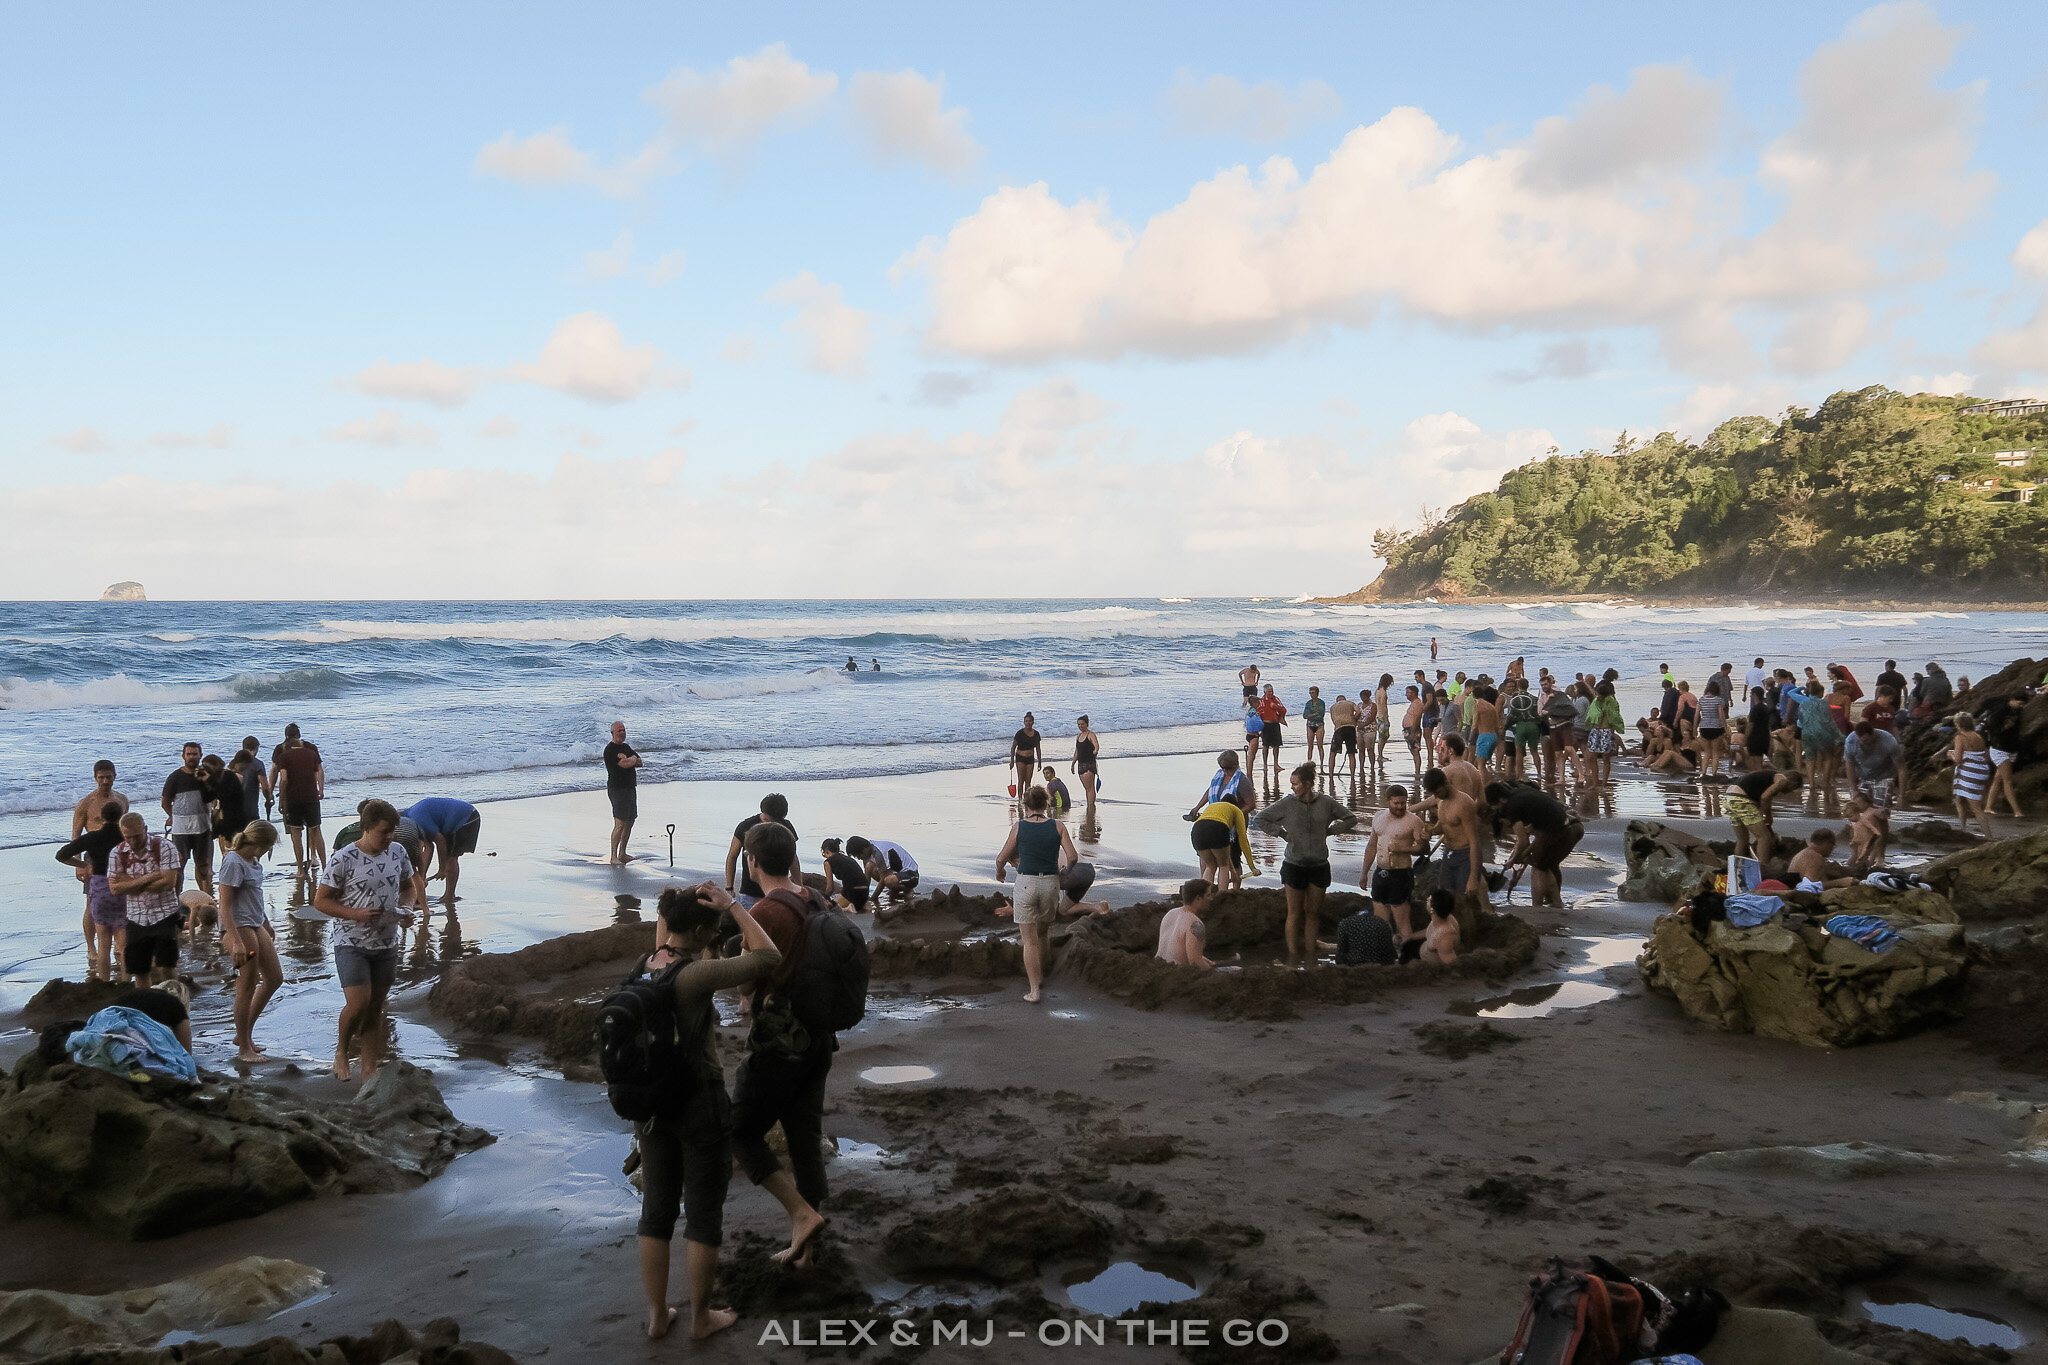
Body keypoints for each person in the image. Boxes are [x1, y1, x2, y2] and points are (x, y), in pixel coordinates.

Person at [632, 886, 782, 1342]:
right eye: (713, 932)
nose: (717, 937)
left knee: (656, 1208)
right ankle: (700, 1318)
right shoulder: (696, 975)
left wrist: (673, 907)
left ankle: (659, 1315)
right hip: (699, 1103)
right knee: (702, 1211)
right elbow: (769, 958)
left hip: (651, 1107)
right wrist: (735, 905)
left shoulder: (645, 967)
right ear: (699, 932)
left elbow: (669, 935)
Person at [719, 825, 838, 1274]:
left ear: (751, 862)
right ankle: (807, 1246)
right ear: (791, 859)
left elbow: (748, 979)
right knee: (804, 1136)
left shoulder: (765, 912)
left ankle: (802, 1215)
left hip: (780, 1040)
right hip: (819, 1036)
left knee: (740, 1131)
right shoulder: (814, 898)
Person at [314, 798, 417, 1082]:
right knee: (358, 1003)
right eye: (384, 831)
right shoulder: (343, 858)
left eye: (392, 831)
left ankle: (369, 1066)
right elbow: (320, 902)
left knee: (375, 1006)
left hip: (387, 942)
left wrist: (408, 908)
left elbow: (410, 887)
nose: (389, 837)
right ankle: (342, 1052)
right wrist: (354, 913)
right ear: (367, 828)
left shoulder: (397, 852)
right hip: (351, 941)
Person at [1254, 762, 1358, 968]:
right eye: (1292, 784)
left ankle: (1311, 956)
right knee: (1294, 912)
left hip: (1319, 865)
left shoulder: (1326, 803)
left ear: (1308, 784)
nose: (1292, 787)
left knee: (1313, 913)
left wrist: (1332, 831)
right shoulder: (1287, 804)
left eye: (1295, 784)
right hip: (1294, 865)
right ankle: (1293, 957)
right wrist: (1282, 834)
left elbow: (1350, 818)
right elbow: (1260, 818)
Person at [995, 785, 1077, 1003]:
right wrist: (1064, 873)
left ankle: (1034, 990)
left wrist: (1000, 871)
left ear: (1025, 805)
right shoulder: (1058, 826)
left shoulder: (1019, 826)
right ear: (1046, 804)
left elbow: (1001, 857)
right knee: (1042, 933)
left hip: (1026, 884)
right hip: (1050, 883)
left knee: (1029, 941)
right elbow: (1073, 856)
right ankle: (1043, 973)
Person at [217, 819, 283, 1062]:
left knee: (275, 978)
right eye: (268, 846)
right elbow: (224, 905)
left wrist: (265, 921)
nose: (268, 851)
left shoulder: (253, 861)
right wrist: (234, 940)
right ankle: (244, 1047)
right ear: (260, 844)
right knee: (247, 985)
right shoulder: (233, 862)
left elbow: (255, 894)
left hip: (255, 923)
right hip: (238, 926)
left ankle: (243, 1035)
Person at [107, 812, 184, 987]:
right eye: (128, 838)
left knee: (167, 966)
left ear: (145, 829)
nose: (132, 842)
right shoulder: (117, 853)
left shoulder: (165, 847)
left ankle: (174, 1004)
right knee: (139, 969)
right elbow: (115, 888)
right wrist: (150, 878)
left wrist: (130, 883)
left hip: (165, 913)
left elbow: (168, 883)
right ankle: (145, 1007)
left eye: (137, 836)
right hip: (136, 917)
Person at [56, 800, 130, 981]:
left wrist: (83, 864)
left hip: (99, 889)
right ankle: (127, 982)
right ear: (121, 817)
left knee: (103, 945)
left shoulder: (92, 837)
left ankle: (104, 983)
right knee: (124, 944)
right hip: (121, 887)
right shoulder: (126, 837)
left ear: (101, 818)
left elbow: (61, 855)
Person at [1486, 781, 1582, 910]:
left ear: (1501, 800)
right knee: (1548, 864)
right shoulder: (1521, 794)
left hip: (1562, 832)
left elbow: (1523, 842)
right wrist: (1515, 859)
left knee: (1539, 867)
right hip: (1571, 826)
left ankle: (1538, 906)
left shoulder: (1512, 808)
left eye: (1494, 806)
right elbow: (1535, 841)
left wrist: (1516, 859)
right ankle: (1554, 901)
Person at [1360, 786, 1426, 943]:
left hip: (1401, 874)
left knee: (1402, 923)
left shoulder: (1413, 821)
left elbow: (1423, 848)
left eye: (1403, 803)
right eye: (1396, 803)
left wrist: (1404, 848)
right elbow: (1372, 846)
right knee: (1381, 923)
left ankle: (1410, 951)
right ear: (1388, 801)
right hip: (1380, 872)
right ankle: (1388, 954)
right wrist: (1364, 873)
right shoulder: (1378, 817)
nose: (1400, 807)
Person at [1418, 768, 1486, 903]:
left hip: (1464, 855)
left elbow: (1474, 841)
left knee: (1463, 900)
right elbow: (1444, 825)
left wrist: (1473, 877)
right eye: (1434, 794)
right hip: (1449, 854)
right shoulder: (1441, 802)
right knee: (1445, 897)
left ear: (1446, 783)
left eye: (1437, 792)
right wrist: (1430, 831)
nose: (1436, 797)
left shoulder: (1464, 804)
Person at [161, 741, 215, 896]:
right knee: (179, 866)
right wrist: (173, 816)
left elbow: (216, 796)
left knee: (203, 866)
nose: (192, 757)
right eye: (189, 754)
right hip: (181, 829)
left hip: (203, 827)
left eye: (195, 754)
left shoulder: (206, 775)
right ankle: (177, 900)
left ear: (200, 756)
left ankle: (206, 898)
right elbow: (165, 802)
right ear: (183, 756)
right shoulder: (175, 777)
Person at [404, 797, 481, 903]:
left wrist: (442, 868)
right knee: (449, 856)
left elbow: (440, 841)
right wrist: (422, 876)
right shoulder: (411, 819)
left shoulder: (417, 819)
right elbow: (428, 847)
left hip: (466, 818)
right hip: (452, 821)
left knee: (451, 858)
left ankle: (449, 896)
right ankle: (449, 895)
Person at [726, 794, 798, 907]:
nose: (773, 824)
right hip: (750, 891)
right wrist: (729, 887)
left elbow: (793, 857)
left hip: (778, 891)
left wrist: (800, 887)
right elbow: (732, 856)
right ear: (763, 813)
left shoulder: (785, 827)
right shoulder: (745, 826)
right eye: (769, 820)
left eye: (778, 821)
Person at [272, 724, 326, 871]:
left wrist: (275, 795)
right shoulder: (311, 751)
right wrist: (320, 789)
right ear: (299, 735)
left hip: (292, 798)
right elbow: (319, 771)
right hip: (311, 796)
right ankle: (322, 864)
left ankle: (301, 870)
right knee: (315, 829)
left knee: (296, 833)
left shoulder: (282, 751)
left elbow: (280, 776)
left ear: (286, 737)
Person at [1729, 767, 1802, 862]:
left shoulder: (1769, 777)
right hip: (1741, 800)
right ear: (1794, 784)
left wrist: (1766, 822)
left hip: (1730, 798)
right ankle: (1763, 866)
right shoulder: (1782, 780)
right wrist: (1768, 816)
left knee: (1743, 839)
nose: (1790, 792)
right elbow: (1765, 797)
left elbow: (1759, 799)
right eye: (1793, 789)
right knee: (1764, 837)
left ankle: (1737, 865)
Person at [1981, 693, 2029, 819]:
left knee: (1998, 779)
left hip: (2011, 748)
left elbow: (2017, 729)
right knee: (2008, 781)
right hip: (1999, 749)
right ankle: (2016, 811)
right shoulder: (2000, 711)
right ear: (2013, 700)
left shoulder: (2017, 712)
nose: (2021, 706)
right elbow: (1992, 728)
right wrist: (2005, 727)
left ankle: (1988, 807)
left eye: (2023, 704)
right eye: (2020, 703)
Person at [1842, 721, 1905, 814]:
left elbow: (1901, 768)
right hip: (1863, 777)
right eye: (1861, 741)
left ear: (1873, 734)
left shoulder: (1889, 741)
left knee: (1879, 810)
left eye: (1867, 741)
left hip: (1884, 777)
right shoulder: (1851, 741)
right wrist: (1854, 790)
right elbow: (1849, 766)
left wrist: (1901, 796)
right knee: (1857, 809)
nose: (1864, 744)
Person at [604, 721, 643, 864]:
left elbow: (639, 762)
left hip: (630, 788)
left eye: (624, 730)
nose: (622, 732)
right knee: (620, 823)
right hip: (617, 789)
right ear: (612, 733)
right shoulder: (610, 750)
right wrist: (630, 760)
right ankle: (613, 856)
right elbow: (624, 764)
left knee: (630, 821)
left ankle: (623, 853)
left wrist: (630, 758)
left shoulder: (626, 747)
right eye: (619, 730)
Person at [1949, 712, 1994, 836]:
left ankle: (1989, 837)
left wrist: (1950, 754)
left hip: (1969, 773)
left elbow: (1958, 759)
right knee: (1959, 799)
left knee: (1976, 808)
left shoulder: (1960, 737)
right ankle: (1962, 830)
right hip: (1981, 771)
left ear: (1958, 724)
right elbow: (1982, 754)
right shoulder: (1978, 736)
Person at [1155, 879, 1216, 968]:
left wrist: (1207, 961)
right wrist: (1215, 973)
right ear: (1198, 898)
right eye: (1208, 895)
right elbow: (1195, 963)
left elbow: (1179, 949)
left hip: (1157, 966)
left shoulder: (1170, 913)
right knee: (1237, 969)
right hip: (1176, 974)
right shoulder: (1195, 924)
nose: (1211, 898)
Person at [847, 836, 918, 897]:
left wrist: (873, 898)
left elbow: (883, 879)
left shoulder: (878, 852)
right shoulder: (867, 855)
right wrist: (863, 896)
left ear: (865, 849)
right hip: (895, 872)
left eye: (859, 855)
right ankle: (894, 889)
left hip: (911, 875)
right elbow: (866, 878)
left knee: (888, 880)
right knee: (869, 866)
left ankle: (907, 889)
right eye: (856, 857)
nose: (859, 858)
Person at [212, 752, 253, 858]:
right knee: (232, 841)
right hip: (231, 812)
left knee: (222, 840)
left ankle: (225, 861)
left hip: (219, 810)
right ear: (244, 763)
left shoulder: (223, 774)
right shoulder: (238, 776)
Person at [1788, 829, 1857, 891]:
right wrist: (1841, 882)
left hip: (1793, 891)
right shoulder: (1814, 857)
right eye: (1833, 845)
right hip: (1801, 897)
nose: (1832, 849)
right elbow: (1810, 886)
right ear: (1828, 843)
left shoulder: (1804, 853)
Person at [1331, 901, 1397, 965]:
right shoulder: (1380, 921)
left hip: (1356, 962)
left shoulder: (1345, 923)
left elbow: (1341, 951)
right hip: (1383, 962)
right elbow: (1391, 951)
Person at [1584, 680, 1624, 782]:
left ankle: (1604, 783)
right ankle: (1595, 781)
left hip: (1607, 730)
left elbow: (1615, 716)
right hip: (1595, 730)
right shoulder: (1595, 701)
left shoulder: (1612, 702)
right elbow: (1591, 715)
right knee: (1592, 756)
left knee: (1606, 757)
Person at [819, 837, 870, 911]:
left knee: (829, 907)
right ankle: (863, 905)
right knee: (841, 897)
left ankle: (847, 908)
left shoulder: (828, 862)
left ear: (826, 850)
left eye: (824, 853)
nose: (824, 855)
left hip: (853, 892)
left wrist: (823, 899)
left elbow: (830, 888)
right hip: (865, 892)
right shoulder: (848, 859)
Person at [1254, 685, 1288, 784]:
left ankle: (1276, 764)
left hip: (1275, 724)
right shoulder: (1261, 701)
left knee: (1276, 745)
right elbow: (1257, 713)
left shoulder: (1276, 699)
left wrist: (1276, 707)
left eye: (1272, 691)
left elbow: (1284, 710)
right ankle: (1265, 765)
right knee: (1265, 745)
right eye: (1269, 691)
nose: (1271, 693)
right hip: (1265, 725)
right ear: (1265, 692)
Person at [1420, 889, 1461, 964]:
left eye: (1429, 900)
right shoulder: (1444, 916)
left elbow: (1452, 965)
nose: (1427, 900)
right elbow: (1431, 932)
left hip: (1432, 969)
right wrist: (1410, 936)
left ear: (1432, 909)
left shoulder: (1445, 938)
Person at [237, 736, 273, 821]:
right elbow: (265, 787)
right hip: (250, 808)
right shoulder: (258, 764)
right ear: (256, 747)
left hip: (235, 807)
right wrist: (269, 798)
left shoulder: (234, 764)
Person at [1071, 716, 1101, 809]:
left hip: (1089, 763)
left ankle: (1091, 806)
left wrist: (1094, 752)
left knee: (1090, 788)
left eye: (1082, 724)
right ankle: (1090, 804)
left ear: (1087, 724)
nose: (1080, 726)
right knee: (1086, 788)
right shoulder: (1078, 736)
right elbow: (1077, 751)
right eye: (1079, 724)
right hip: (1080, 764)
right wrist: (1073, 763)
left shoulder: (1091, 734)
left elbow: (1096, 746)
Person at [1010, 713, 1043, 798]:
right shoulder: (1020, 733)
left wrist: (1039, 762)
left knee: (1028, 780)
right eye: (1026, 721)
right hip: (1020, 758)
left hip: (1030, 758)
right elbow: (1013, 747)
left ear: (1033, 722)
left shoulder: (1036, 734)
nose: (1028, 723)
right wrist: (1012, 761)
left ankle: (1027, 799)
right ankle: (1020, 799)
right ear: (1024, 722)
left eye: (1030, 721)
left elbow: (1038, 749)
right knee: (1021, 780)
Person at [1327, 693, 1359, 779]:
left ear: (1337, 701)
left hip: (1339, 729)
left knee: (1333, 753)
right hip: (1350, 728)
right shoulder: (1350, 703)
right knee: (1351, 753)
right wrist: (1354, 719)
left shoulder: (1332, 707)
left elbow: (1334, 720)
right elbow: (1358, 711)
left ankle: (1331, 774)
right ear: (1345, 699)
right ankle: (1352, 774)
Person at [1302, 687, 1327, 770]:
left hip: (1319, 725)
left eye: (1313, 693)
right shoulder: (1308, 703)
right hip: (1310, 725)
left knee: (1320, 745)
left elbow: (1321, 715)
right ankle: (1309, 762)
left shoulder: (1321, 703)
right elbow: (1304, 715)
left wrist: (1311, 715)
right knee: (1310, 745)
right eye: (1310, 693)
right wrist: (1314, 714)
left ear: (1317, 693)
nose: (1311, 694)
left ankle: (1322, 764)